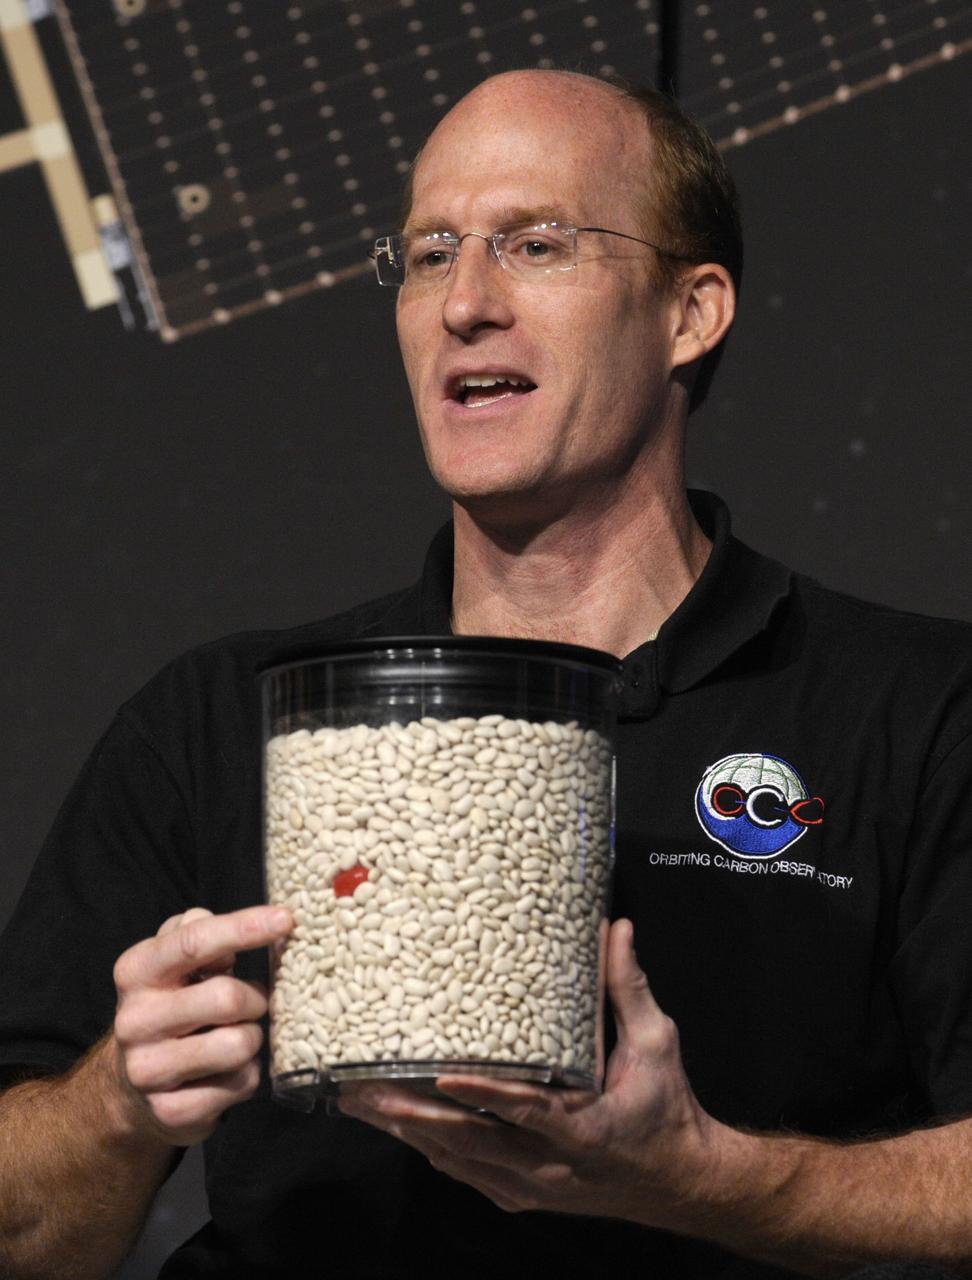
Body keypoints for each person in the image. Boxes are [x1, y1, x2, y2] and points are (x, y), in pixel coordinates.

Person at [1, 68, 971, 1280]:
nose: (464, 302)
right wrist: (113, 1105)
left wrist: (715, 1177)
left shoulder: (920, 711)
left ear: (692, 310)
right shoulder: (221, 719)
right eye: (427, 253)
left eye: (537, 244)